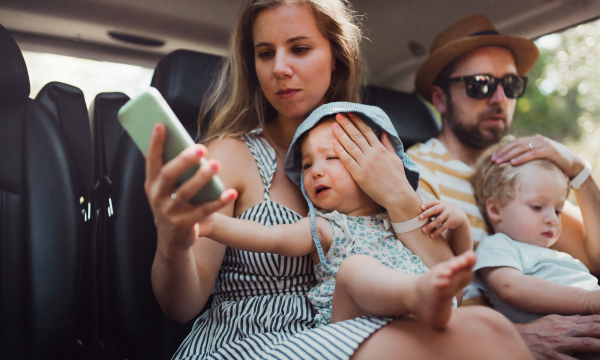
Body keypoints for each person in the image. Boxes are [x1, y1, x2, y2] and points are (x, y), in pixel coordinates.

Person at [145, 2, 533, 359]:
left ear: (337, 60)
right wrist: (173, 239)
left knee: (489, 326)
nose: (279, 67)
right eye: (265, 53)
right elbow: (181, 306)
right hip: (250, 341)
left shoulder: (375, 148)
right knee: (486, 335)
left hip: (354, 329)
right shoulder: (230, 153)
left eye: (299, 49)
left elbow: (447, 284)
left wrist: (399, 198)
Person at [407, 13, 600, 359]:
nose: (499, 97)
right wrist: (519, 336)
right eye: (480, 84)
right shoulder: (418, 171)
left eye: (511, 84)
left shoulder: (519, 166)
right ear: (439, 98)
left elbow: (595, 258)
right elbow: (421, 302)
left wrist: (580, 172)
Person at [194, 102, 476, 330]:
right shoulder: (327, 228)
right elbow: (270, 237)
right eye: (306, 164)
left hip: (411, 331)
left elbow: (459, 273)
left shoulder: (401, 220)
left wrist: (460, 224)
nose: (316, 170)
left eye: (331, 158)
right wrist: (212, 223)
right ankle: (415, 295)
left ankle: (421, 298)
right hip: (351, 331)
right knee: (354, 270)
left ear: (372, 161)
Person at [470, 142, 600, 324]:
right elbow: (510, 287)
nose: (552, 219)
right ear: (495, 209)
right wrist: (588, 300)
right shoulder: (498, 245)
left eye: (558, 210)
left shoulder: (558, 254)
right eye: (537, 207)